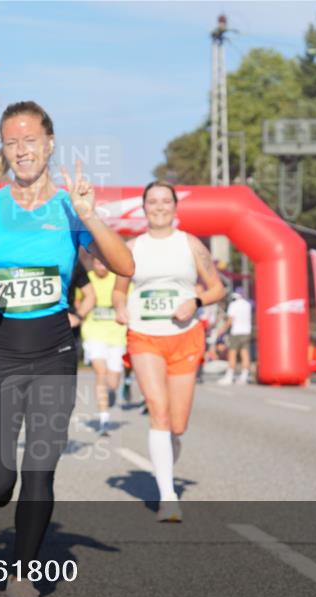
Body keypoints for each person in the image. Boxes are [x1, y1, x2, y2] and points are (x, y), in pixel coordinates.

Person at [0, 101, 133, 597]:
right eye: (12, 141)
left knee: (41, 469)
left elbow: (124, 264)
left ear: (50, 144)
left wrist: (91, 213)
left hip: (52, 349)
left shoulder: (72, 207)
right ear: (3, 151)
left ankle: (21, 581)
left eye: (30, 139)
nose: (22, 150)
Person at [112, 181, 226, 523]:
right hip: (144, 335)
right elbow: (119, 291)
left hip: (184, 337)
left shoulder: (190, 244)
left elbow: (218, 287)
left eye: (165, 201)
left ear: (175, 207)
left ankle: (165, 465)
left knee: (177, 424)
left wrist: (195, 301)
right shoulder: (131, 247)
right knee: (158, 412)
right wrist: (120, 308)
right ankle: (168, 496)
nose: (159, 207)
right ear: (144, 208)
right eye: (152, 202)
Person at [76, 256, 128, 436]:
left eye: (104, 263)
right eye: (98, 263)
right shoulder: (87, 278)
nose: (101, 267)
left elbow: (128, 300)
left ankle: (112, 391)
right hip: (93, 331)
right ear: (93, 263)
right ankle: (104, 418)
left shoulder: (119, 279)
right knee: (100, 372)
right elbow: (79, 299)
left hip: (116, 333)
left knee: (113, 380)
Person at [217, 288, 253, 385]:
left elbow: (230, 320)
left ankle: (229, 377)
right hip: (246, 331)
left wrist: (222, 330)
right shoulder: (248, 305)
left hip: (236, 332)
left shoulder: (233, 305)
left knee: (232, 354)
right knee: (245, 354)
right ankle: (244, 376)